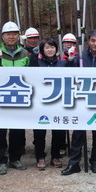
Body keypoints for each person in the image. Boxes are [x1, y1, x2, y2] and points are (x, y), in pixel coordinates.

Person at [62, 29, 96, 175]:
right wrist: (71, 60)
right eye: (93, 41)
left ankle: (95, 161)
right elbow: (69, 74)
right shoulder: (81, 56)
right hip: (82, 99)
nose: (95, 43)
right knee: (78, 132)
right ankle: (74, 163)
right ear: (88, 41)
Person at [0, 21, 30, 175]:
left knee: (17, 131)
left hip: (18, 97)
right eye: (8, 34)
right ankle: (0, 160)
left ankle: (15, 158)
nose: (11, 37)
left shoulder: (24, 53)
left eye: (14, 34)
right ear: (3, 36)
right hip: (1, 98)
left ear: (18, 36)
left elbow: (30, 75)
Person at [30, 38, 75, 169]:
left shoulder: (62, 63)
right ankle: (40, 157)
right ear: (42, 50)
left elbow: (73, 74)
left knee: (58, 132)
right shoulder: (37, 62)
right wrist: (34, 54)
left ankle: (55, 156)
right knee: (39, 132)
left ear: (56, 49)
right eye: (47, 48)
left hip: (58, 102)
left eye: (52, 47)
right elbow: (30, 72)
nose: (50, 50)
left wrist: (71, 60)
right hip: (41, 102)